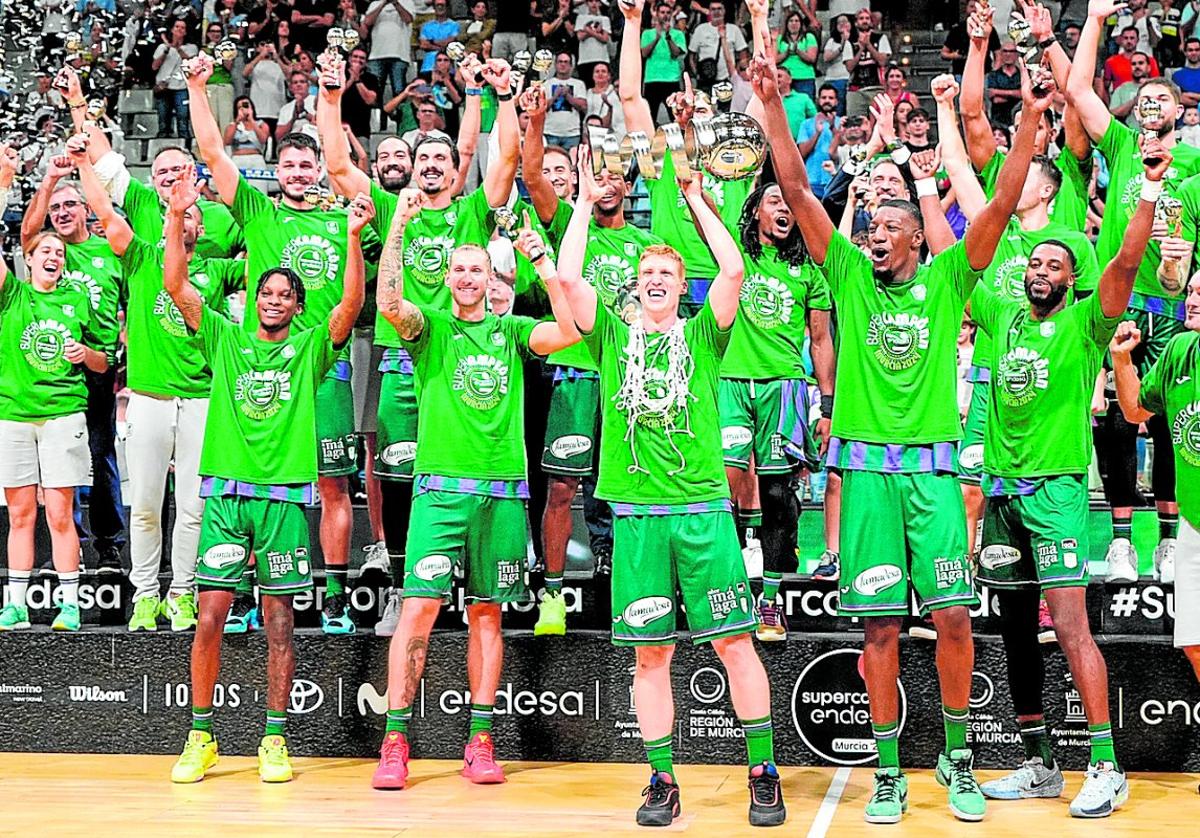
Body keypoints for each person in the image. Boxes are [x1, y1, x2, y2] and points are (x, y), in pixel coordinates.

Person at [755, 50, 1043, 822]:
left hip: (934, 477)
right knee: (878, 627)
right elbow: (792, 187)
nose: (874, 234)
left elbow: (1002, 203)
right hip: (869, 480)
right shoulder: (846, 273)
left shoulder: (951, 279)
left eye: (889, 227)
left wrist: (1032, 126)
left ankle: (957, 757)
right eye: (870, 225)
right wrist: (772, 109)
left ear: (919, 238)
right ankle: (888, 771)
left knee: (952, 616)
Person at [553, 139, 786, 827]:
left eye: (666, 270)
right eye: (646, 269)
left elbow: (735, 267)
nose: (655, 277)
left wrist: (691, 196)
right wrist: (583, 206)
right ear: (635, 282)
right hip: (639, 519)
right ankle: (661, 779)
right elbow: (567, 281)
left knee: (734, 642)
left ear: (681, 285)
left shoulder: (703, 337)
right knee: (650, 657)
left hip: (703, 513)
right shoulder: (611, 340)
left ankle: (763, 770)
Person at [957, 110, 1168, 821]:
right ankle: (1038, 762)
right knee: (1015, 628)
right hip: (1004, 494)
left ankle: (1106, 764)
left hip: (1056, 493)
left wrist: (1143, 196)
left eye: (1055, 264)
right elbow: (968, 240)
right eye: (1036, 262)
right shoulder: (999, 310)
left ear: (1071, 279)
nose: (1042, 269)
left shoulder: (1084, 326)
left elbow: (1129, 264)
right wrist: (942, 168)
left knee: (1072, 628)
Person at [165, 169, 371, 784]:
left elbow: (352, 307)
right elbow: (176, 284)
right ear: (254, 298)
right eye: (265, 291)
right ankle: (200, 735)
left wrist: (355, 236)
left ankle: (273, 740)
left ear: (297, 306)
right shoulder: (225, 340)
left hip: (282, 503)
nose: (273, 298)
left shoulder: (310, 349)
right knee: (209, 616)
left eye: (285, 293)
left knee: (281, 624)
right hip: (227, 497)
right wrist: (177, 215)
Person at [369, 200, 581, 789]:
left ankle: (480, 741)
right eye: (458, 270)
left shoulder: (511, 332)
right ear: (446, 276)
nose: (466, 278)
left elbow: (568, 330)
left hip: (502, 495)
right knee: (418, 613)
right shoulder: (430, 330)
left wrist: (541, 265)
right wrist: (400, 227)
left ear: (491, 279)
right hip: (440, 493)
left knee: (487, 615)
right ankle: (396, 741)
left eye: (477, 270)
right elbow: (388, 304)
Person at [316, 52, 518, 635]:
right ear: (410, 167)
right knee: (401, 473)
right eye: (421, 157)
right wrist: (331, 100)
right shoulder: (389, 204)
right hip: (398, 354)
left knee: (457, 472)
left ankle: (471, 591)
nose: (430, 165)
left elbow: (504, 159)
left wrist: (502, 97)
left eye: (440, 157)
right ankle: (407, 591)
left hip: (460, 359)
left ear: (455, 169)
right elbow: (335, 163)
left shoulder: (473, 212)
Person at [187, 52, 375, 635]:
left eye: (305, 165)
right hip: (263, 372)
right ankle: (248, 592)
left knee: (332, 483)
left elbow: (355, 301)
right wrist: (197, 87)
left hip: (326, 368)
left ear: (320, 169)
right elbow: (215, 154)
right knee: (259, 479)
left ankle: (336, 598)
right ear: (278, 169)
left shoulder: (342, 221)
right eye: (288, 165)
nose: (296, 173)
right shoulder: (259, 215)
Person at [69, 135, 247, 632]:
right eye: (175, 213)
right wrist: (84, 162)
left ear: (202, 223)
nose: (183, 218)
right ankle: (145, 594)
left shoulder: (219, 270)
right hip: (148, 400)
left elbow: (266, 255)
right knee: (145, 504)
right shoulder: (142, 257)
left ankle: (183, 593)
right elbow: (104, 210)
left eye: (191, 214)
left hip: (201, 401)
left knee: (192, 507)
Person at [521, 83, 661, 635]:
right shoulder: (567, 224)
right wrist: (535, 124)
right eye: (596, 175)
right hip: (575, 374)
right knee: (561, 486)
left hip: (630, 382)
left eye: (615, 175)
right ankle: (552, 595)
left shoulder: (648, 243)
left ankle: (625, 581)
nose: (607, 184)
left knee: (625, 488)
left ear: (628, 183)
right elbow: (533, 177)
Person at [1068, 0, 1200, 583]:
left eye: (1161, 99)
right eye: (1143, 99)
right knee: (1115, 424)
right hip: (1120, 306)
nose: (1150, 105)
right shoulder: (1120, 147)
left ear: (1180, 110)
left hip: (1174, 309)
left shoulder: (1194, 162)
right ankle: (1121, 539)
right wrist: (1094, 21)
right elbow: (1077, 92)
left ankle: (1170, 539)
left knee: (1173, 420)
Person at [721, 180, 835, 643]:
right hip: (730, 381)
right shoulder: (738, 255)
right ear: (756, 212)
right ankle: (729, 582)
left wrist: (826, 404)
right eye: (775, 202)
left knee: (776, 492)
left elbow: (822, 340)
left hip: (785, 385)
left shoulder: (810, 269)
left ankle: (769, 597)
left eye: (791, 204)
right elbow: (707, 206)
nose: (785, 209)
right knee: (727, 479)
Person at [0, 213, 108, 633]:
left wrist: (86, 355)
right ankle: (17, 606)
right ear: (27, 259)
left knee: (61, 513)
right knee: (21, 514)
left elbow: (105, 360)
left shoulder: (78, 302)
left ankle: (70, 605)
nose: (54, 256)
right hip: (13, 417)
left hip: (64, 414)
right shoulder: (12, 297)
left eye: (60, 253)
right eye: (45, 250)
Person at [20, 153, 126, 578]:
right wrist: (48, 183)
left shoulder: (111, 250)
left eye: (70, 205)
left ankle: (109, 548)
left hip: (98, 369)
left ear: (87, 210)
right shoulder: (48, 251)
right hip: (53, 373)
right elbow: (29, 231)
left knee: (99, 459)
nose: (62, 213)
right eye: (56, 208)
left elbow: (132, 303)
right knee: (59, 466)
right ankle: (70, 548)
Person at [1112, 285, 1200, 683]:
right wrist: (1121, 358)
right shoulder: (1180, 349)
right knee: (1194, 643)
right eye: (1192, 291)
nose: (1192, 299)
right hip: (1193, 524)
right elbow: (1133, 410)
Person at [641, 0, 688, 122]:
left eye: (668, 12)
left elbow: (676, 53)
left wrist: (667, 36)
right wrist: (657, 37)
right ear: (656, 14)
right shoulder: (647, 33)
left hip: (671, 79)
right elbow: (644, 53)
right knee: (649, 118)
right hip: (652, 79)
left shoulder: (678, 34)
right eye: (662, 12)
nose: (665, 15)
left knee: (676, 117)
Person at [152, 19, 198, 140]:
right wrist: (167, 49)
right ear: (172, 29)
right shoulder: (162, 47)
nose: (179, 29)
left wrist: (178, 48)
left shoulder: (191, 48)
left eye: (182, 28)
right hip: (164, 87)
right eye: (177, 27)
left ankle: (185, 147)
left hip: (181, 87)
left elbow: (191, 64)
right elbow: (154, 66)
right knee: (163, 120)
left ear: (186, 32)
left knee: (182, 118)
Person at [365, 0, 416, 105]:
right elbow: (368, 21)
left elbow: (408, 19)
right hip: (376, 54)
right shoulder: (374, 4)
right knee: (375, 92)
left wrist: (395, 3)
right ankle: (376, 120)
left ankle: (400, 120)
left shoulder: (408, 2)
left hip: (399, 54)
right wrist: (383, 3)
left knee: (399, 92)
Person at [796, 84, 841, 199]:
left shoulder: (842, 123)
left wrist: (833, 129)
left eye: (831, 98)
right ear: (818, 100)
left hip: (835, 179)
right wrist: (817, 133)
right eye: (824, 98)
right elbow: (802, 153)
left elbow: (846, 149)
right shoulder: (806, 124)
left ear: (836, 101)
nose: (827, 101)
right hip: (812, 180)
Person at [845, 7, 892, 116]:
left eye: (867, 18)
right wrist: (861, 48)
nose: (865, 21)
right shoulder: (850, 42)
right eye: (861, 18)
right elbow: (849, 67)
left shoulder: (881, 38)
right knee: (855, 122)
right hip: (856, 89)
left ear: (871, 21)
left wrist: (869, 45)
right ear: (856, 23)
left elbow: (882, 62)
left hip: (876, 88)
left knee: (879, 121)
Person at [689, 0, 748, 83]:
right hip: (705, 80)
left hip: (728, 79)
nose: (716, 12)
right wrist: (697, 74)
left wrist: (736, 75)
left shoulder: (734, 30)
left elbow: (743, 56)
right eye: (713, 9)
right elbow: (692, 57)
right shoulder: (700, 29)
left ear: (724, 11)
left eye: (719, 9)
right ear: (709, 11)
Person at [243, 40, 289, 139]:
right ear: (257, 48)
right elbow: (245, 73)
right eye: (263, 45)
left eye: (269, 45)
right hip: (258, 110)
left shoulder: (279, 65)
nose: (266, 48)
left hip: (278, 110)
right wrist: (260, 56)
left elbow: (289, 76)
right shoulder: (255, 65)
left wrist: (277, 57)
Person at [544, 53, 588, 151]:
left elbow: (583, 107)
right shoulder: (547, 84)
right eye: (560, 62)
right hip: (550, 132)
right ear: (555, 65)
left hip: (572, 134)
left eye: (566, 62)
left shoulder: (579, 84)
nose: (563, 64)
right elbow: (542, 107)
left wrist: (568, 96)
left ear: (571, 66)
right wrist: (555, 96)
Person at [776, 9, 818, 100]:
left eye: (796, 21)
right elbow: (774, 59)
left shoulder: (809, 37)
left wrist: (798, 51)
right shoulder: (780, 39)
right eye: (791, 21)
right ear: (787, 24)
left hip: (805, 77)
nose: (794, 23)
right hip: (785, 79)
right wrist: (786, 53)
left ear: (801, 23)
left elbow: (812, 58)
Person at [223, 96, 271, 172]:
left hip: (256, 158)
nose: (243, 109)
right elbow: (227, 141)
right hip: (238, 158)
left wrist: (251, 120)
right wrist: (237, 121)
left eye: (245, 106)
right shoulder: (232, 125)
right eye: (239, 107)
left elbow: (263, 140)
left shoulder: (261, 124)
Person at [574, 0, 611, 88]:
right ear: (587, 3)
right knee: (587, 87)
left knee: (602, 87)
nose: (594, 3)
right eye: (591, 1)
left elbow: (605, 39)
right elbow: (580, 37)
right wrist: (596, 33)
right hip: (585, 59)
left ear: (600, 3)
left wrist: (589, 31)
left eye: (596, 1)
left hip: (601, 58)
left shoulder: (605, 19)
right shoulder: (581, 18)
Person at [418, 0, 459, 79]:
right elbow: (423, 45)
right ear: (434, 7)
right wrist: (441, 48)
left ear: (447, 7)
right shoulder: (426, 26)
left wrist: (431, 41)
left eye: (442, 5)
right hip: (428, 66)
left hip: (447, 67)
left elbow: (449, 42)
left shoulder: (454, 25)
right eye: (437, 5)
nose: (440, 7)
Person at [276, 70, 318, 143]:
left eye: (302, 82)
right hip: (292, 143)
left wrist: (304, 114)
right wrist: (293, 118)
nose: (298, 84)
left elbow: (324, 126)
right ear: (291, 87)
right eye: (295, 82)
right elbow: (278, 136)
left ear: (308, 85)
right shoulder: (285, 108)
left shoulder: (316, 101)